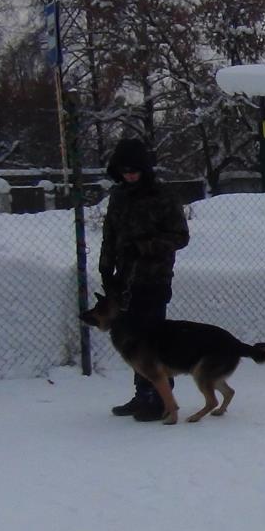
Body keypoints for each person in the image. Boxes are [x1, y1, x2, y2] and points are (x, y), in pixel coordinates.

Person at [98, 138, 190, 421]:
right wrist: (106, 268)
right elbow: (110, 234)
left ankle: (161, 399)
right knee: (133, 342)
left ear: (144, 169)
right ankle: (143, 394)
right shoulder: (119, 196)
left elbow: (180, 237)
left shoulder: (163, 196)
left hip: (154, 279)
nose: (129, 176)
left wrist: (145, 246)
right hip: (125, 281)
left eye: (134, 170)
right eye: (124, 171)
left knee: (153, 342)